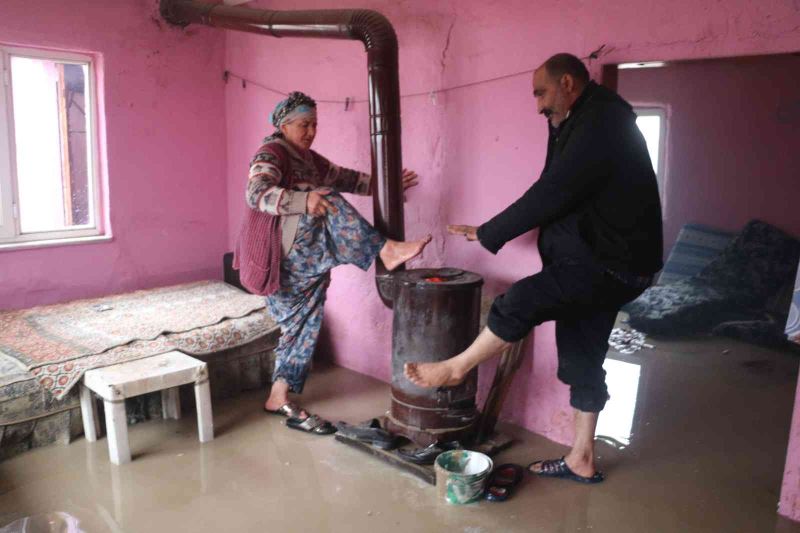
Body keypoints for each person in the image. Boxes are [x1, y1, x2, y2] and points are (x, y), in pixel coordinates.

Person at [404, 53, 663, 482]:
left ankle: (456, 367)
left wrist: (492, 232)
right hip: (608, 263)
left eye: (541, 93)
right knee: (583, 359)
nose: (538, 105)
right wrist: (491, 229)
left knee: (520, 300)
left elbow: (553, 191)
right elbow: (553, 184)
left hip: (610, 263)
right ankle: (582, 457)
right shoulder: (575, 122)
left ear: (567, 83)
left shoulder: (602, 122)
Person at [247, 91, 431, 435]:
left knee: (301, 327)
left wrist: (385, 184)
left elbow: (347, 178)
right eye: (304, 124)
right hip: (282, 252)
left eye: (315, 124)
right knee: (326, 198)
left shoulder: (310, 159)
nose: (311, 131)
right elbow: (256, 193)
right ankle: (383, 250)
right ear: (284, 125)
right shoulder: (271, 153)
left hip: (306, 255)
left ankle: (278, 395)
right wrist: (303, 199)